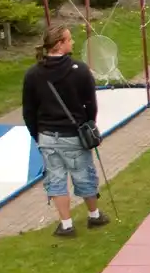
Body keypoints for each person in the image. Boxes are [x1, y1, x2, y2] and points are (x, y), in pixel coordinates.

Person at [22, 26, 107, 237]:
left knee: (56, 180)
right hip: (74, 135)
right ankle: (94, 215)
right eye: (69, 39)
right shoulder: (80, 69)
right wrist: (89, 125)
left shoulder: (33, 74)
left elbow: (28, 111)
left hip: (47, 137)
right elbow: (91, 104)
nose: (73, 42)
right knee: (84, 175)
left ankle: (66, 225)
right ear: (60, 43)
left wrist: (37, 135)